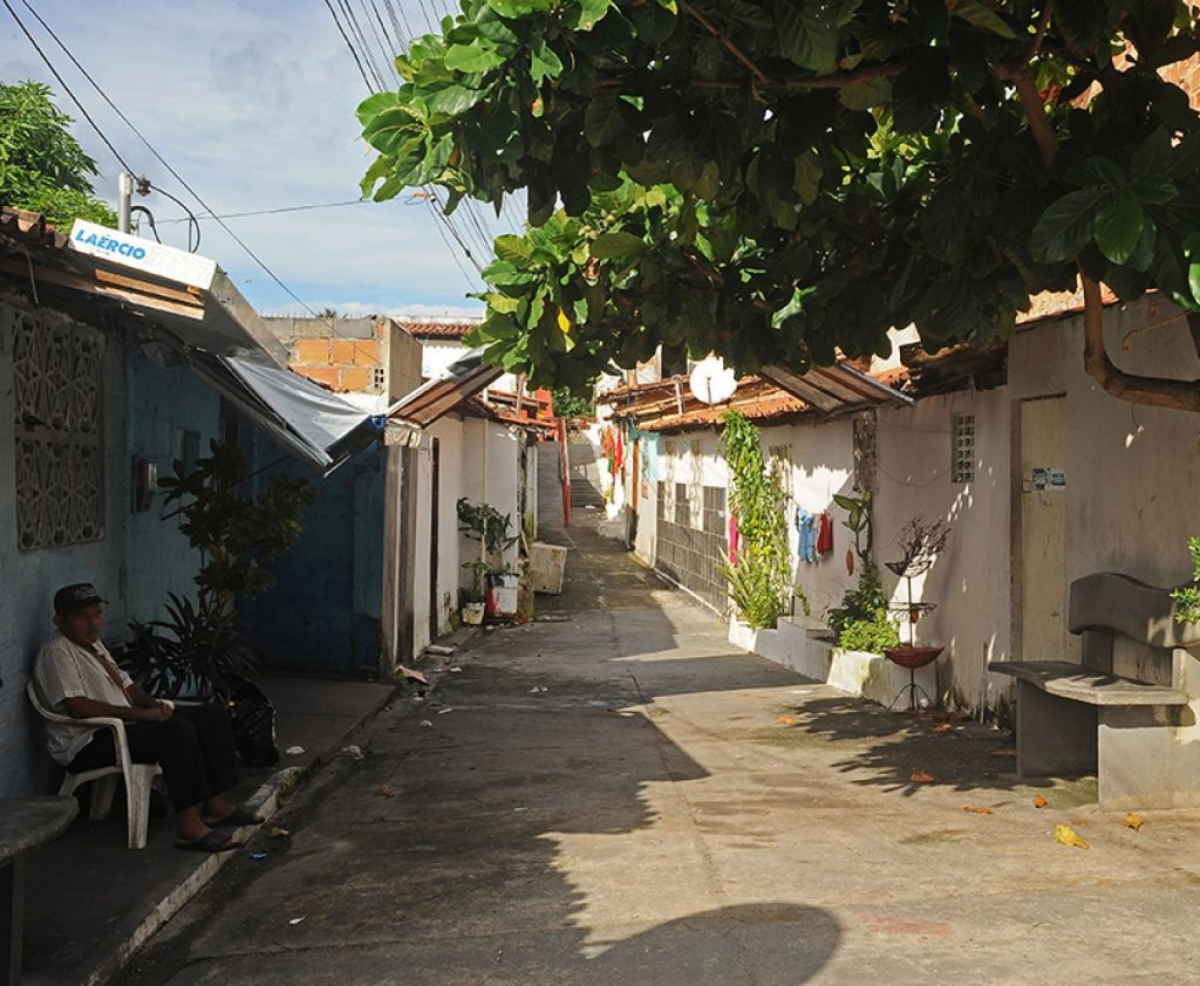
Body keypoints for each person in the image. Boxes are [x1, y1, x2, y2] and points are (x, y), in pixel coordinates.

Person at [31, 582, 263, 853]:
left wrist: (155, 706)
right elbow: (78, 708)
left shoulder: (93, 646)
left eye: (96, 614)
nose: (94, 623)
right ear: (60, 620)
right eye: (83, 617)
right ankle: (189, 826)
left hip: (123, 728)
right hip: (88, 742)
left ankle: (216, 806)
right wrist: (141, 714)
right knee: (177, 732)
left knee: (212, 715)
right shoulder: (57, 652)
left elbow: (128, 687)